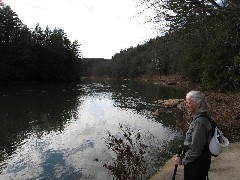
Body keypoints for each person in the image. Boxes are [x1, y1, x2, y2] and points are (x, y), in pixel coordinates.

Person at [174, 90, 212, 180]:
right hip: (198, 162)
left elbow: (196, 149)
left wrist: (182, 161)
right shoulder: (199, 118)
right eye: (186, 102)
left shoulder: (199, 122)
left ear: (198, 105)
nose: (186, 105)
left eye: (189, 103)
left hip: (196, 164)